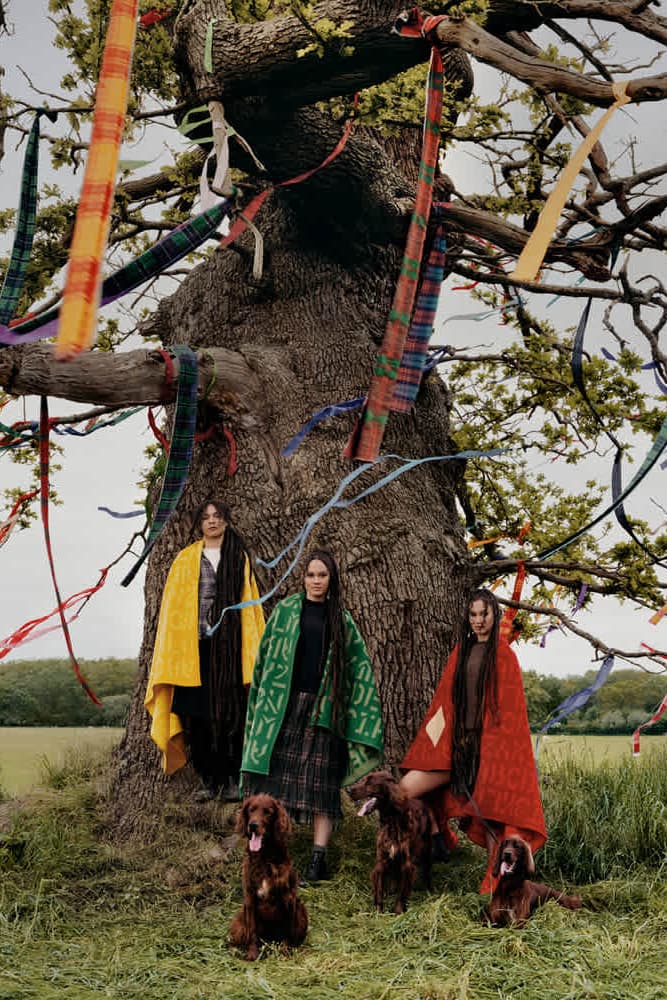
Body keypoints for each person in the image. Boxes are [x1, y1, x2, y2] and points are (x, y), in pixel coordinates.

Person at [241, 548, 384, 882]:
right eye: (311, 575)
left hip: (325, 710)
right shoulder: (286, 611)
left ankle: (317, 863)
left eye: (322, 575)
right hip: (284, 708)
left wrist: (356, 714)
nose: (316, 581)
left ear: (331, 579)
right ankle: (276, 855)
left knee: (321, 787)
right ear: (303, 577)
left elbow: (358, 669)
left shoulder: (341, 618)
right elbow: (265, 657)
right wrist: (261, 699)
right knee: (277, 779)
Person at [400, 587, 546, 894]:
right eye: (473, 615)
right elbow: (443, 705)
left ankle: (496, 888)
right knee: (405, 790)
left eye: (484, 614)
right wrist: (436, 745)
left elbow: (511, 714)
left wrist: (495, 752)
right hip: (455, 749)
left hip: (490, 751)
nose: (478, 621)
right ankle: (437, 840)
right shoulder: (460, 651)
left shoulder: (504, 655)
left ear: (495, 614)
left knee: (495, 818)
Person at [145, 500, 265, 800]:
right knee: (196, 716)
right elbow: (173, 610)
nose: (212, 522)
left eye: (218, 516)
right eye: (207, 517)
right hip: (192, 650)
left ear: (225, 521)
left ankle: (233, 779)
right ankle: (208, 779)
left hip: (229, 650)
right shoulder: (185, 560)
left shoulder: (238, 557)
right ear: (199, 524)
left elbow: (249, 604)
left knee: (232, 713)